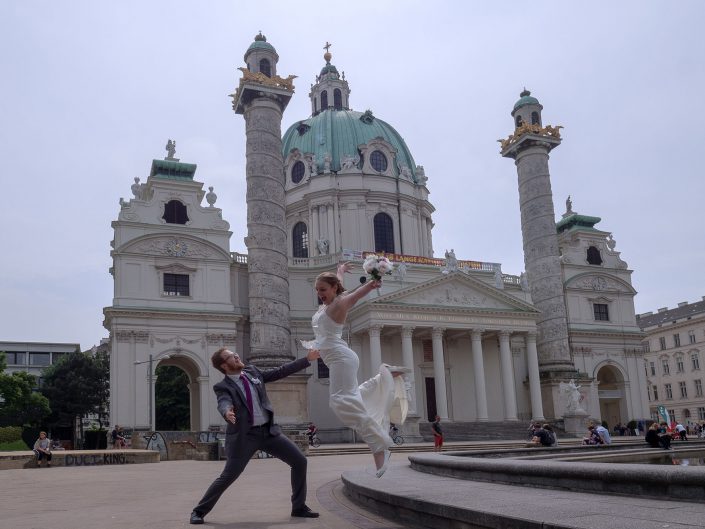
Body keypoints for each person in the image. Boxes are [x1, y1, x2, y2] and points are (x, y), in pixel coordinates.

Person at [189, 348, 321, 525]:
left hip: (268, 433)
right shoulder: (223, 386)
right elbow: (224, 401)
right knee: (229, 476)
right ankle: (198, 511)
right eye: (231, 357)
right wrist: (227, 412)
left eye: (236, 353)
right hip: (245, 437)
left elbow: (280, 371)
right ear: (224, 366)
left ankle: (299, 507)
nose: (237, 356)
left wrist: (306, 359)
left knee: (300, 461)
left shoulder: (253, 372)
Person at [303, 262, 408, 478]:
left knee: (340, 401)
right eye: (317, 290)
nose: (319, 294)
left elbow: (355, 296)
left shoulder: (339, 304)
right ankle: (384, 375)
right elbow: (339, 286)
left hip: (341, 358)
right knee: (352, 397)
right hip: (337, 359)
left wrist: (372, 284)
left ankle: (379, 447)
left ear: (332, 289)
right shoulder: (331, 301)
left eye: (322, 289)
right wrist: (340, 271)